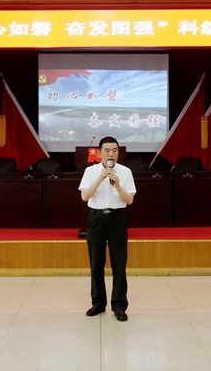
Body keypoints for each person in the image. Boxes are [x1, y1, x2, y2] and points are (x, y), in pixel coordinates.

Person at [79, 136, 136, 321]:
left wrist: (118, 185)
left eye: (115, 150)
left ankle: (119, 306)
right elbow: (85, 196)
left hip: (117, 218)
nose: (111, 154)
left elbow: (129, 200)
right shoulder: (90, 171)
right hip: (96, 218)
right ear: (100, 152)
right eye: (107, 150)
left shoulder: (125, 172)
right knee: (96, 263)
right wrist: (100, 178)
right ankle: (98, 303)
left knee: (119, 264)